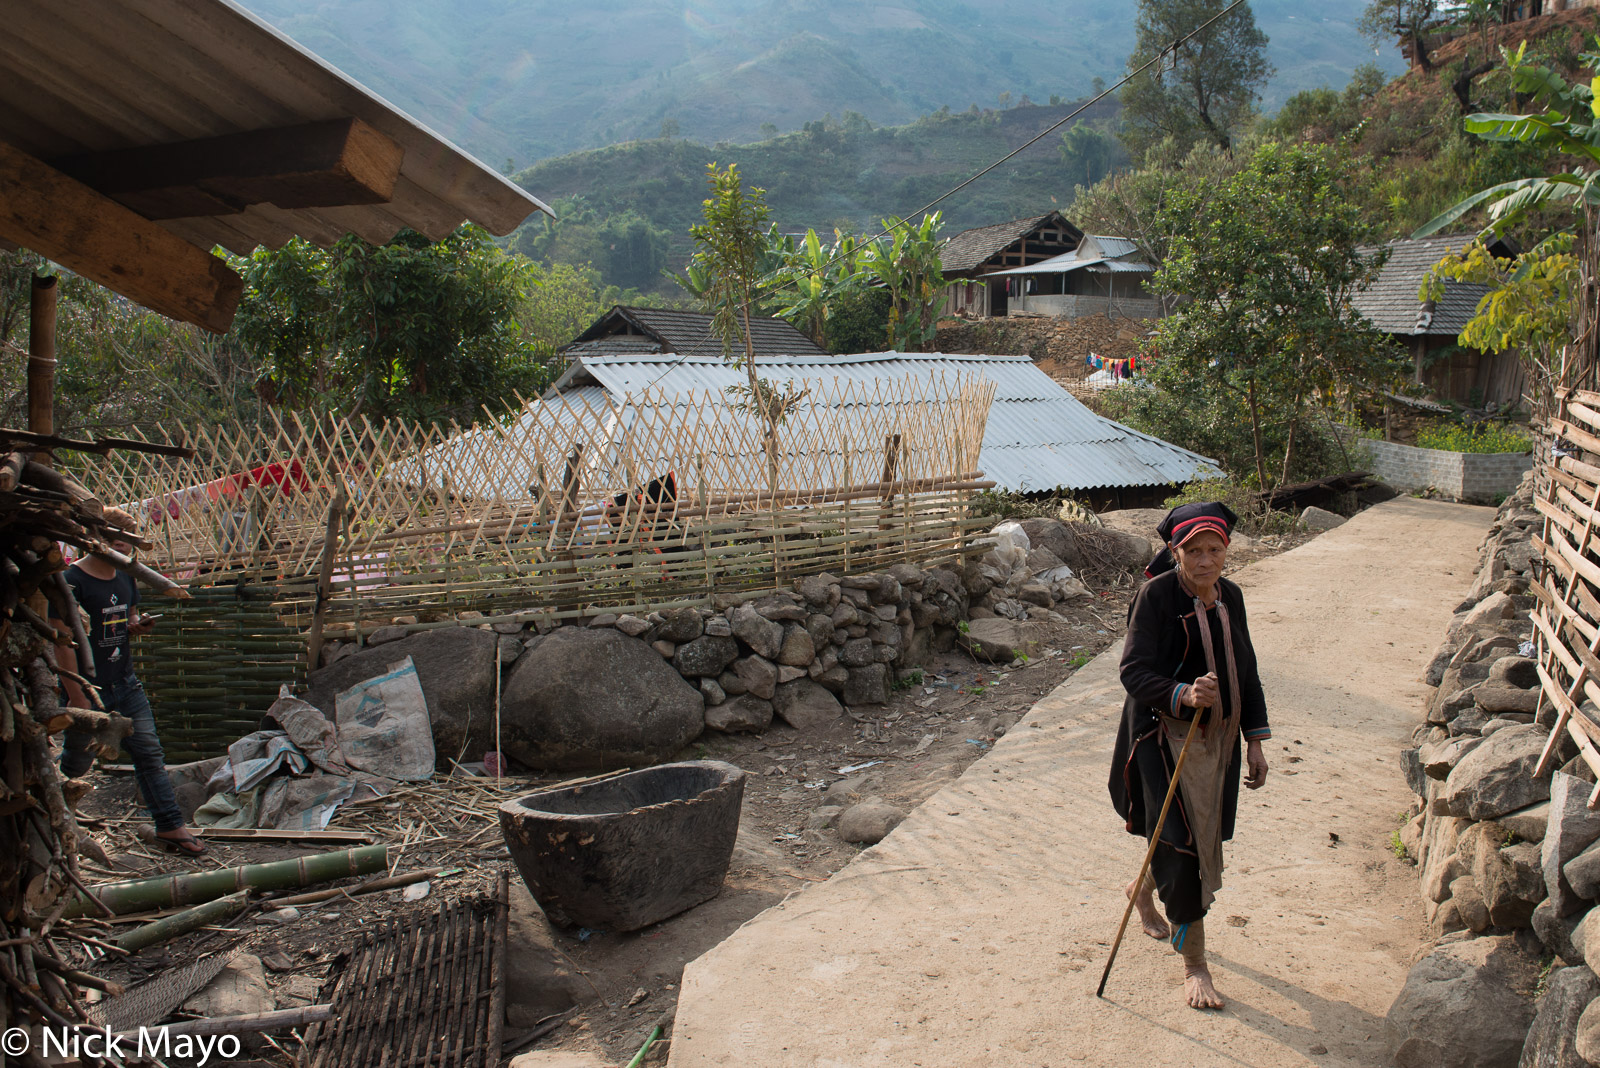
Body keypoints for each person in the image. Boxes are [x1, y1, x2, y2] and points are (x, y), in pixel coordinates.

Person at [1108, 502, 1268, 1009]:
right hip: (1160, 738)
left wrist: (1256, 740)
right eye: (1193, 550)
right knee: (1185, 849)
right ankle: (1195, 963)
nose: (1205, 560)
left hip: (1215, 740)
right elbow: (1133, 671)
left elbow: (1246, 669)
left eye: (1214, 549)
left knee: (1202, 833)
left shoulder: (1231, 597)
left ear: (1227, 551)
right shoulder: (1155, 596)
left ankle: (1141, 887)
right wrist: (1183, 692)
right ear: (1175, 551)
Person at [51, 508, 204, 855]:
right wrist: (77, 695)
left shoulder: (125, 577)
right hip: (88, 686)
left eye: (126, 546)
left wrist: (138, 624)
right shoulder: (71, 581)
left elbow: (127, 617)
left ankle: (170, 826)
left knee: (148, 751)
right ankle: (57, 816)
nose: (123, 552)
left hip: (125, 681)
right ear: (97, 541)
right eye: (118, 544)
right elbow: (61, 641)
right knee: (78, 758)